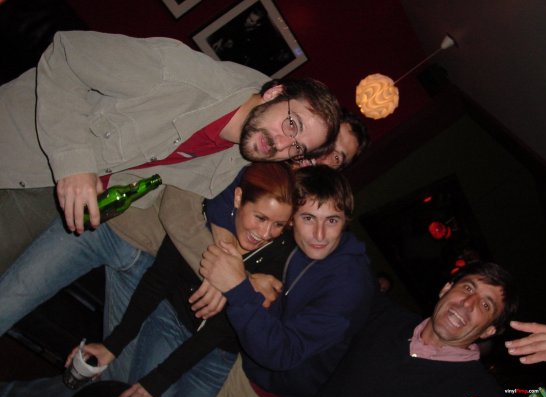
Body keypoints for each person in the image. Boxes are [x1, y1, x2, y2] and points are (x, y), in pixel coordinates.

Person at [0, 163, 297, 397]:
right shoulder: (204, 223)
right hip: (170, 321)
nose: (266, 232)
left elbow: (220, 330)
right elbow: (159, 276)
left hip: (215, 353)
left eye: (278, 225)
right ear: (238, 198)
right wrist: (118, 348)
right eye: (260, 218)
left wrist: (236, 285)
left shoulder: (280, 258)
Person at [0, 29, 341, 273]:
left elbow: (177, 199)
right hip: (21, 143)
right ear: (274, 93)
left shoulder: (235, 157)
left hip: (55, 197)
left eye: (297, 147)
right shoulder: (177, 72)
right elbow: (66, 52)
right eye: (291, 124)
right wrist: (75, 162)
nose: (282, 143)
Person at [275, 262, 546, 397]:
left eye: (486, 305)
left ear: (489, 331)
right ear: (446, 289)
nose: (467, 304)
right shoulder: (384, 318)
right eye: (468, 288)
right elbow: (338, 269)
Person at [178, 165, 376, 397]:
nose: (319, 234)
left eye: (332, 220)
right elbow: (224, 196)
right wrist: (234, 261)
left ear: (345, 220)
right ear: (291, 218)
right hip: (241, 368)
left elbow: (283, 353)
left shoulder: (349, 286)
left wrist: (238, 286)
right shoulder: (287, 237)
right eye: (308, 218)